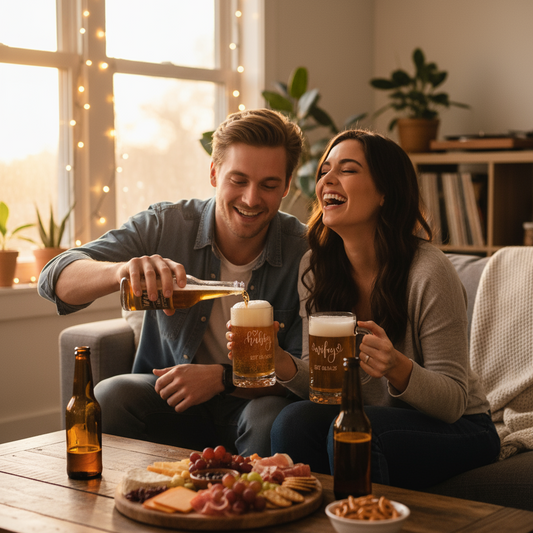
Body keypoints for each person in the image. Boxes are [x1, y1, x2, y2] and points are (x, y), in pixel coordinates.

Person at [39, 108, 308, 458]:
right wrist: (123, 271)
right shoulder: (167, 224)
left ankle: (247, 507)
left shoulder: (305, 249)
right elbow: (54, 277)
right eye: (238, 180)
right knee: (110, 395)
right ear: (214, 174)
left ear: (287, 185)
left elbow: (306, 376)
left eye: (269, 185)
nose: (251, 199)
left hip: (253, 405)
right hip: (171, 401)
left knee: (271, 416)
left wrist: (221, 378)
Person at [263, 129, 500, 489]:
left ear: (385, 193)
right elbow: (326, 386)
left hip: (461, 427)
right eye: (325, 169)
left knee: (360, 431)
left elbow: (453, 401)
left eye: (348, 169)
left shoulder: (428, 269)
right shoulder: (316, 267)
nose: (328, 178)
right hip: (372, 416)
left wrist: (397, 367)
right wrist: (281, 361)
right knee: (291, 421)